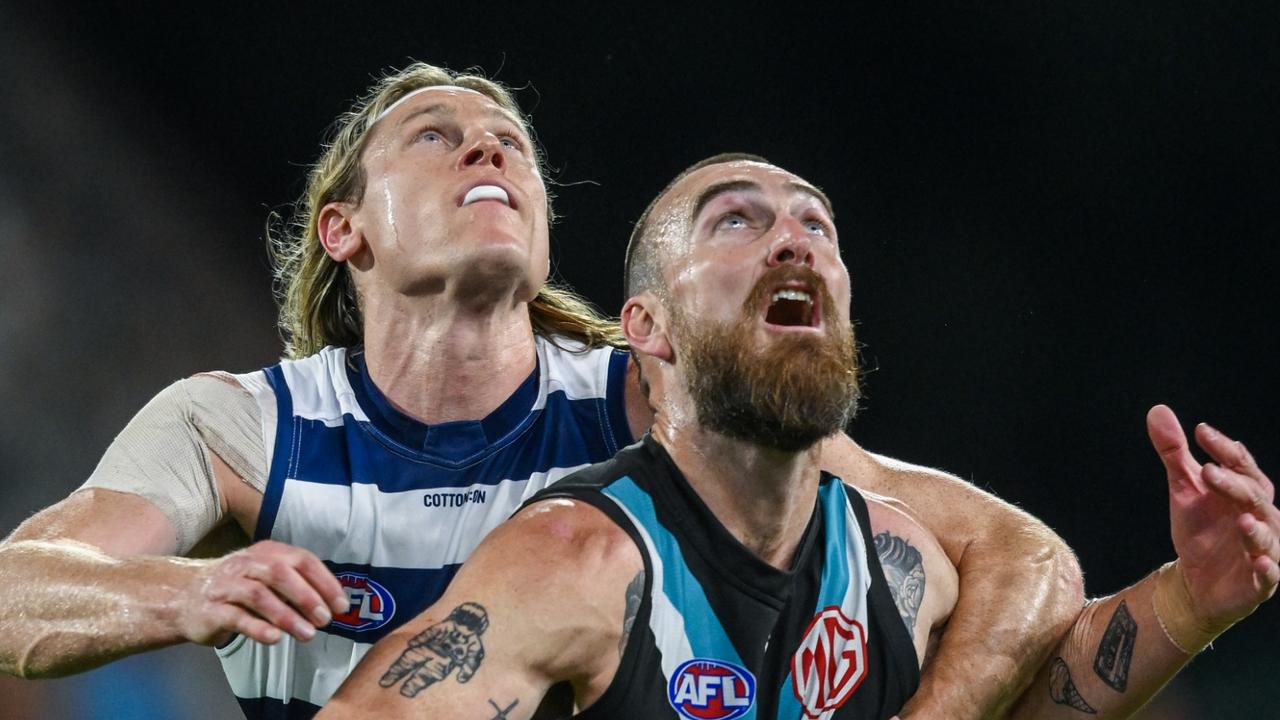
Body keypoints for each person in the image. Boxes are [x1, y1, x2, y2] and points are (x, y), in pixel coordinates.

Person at [0, 65, 1082, 719]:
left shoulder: (651, 398)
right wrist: (182, 596)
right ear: (345, 228)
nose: (488, 144)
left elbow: (1014, 555)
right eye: (436, 135)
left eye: (511, 143)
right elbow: (15, 596)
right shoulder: (241, 429)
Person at [317, 154, 1278, 720]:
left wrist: (1192, 601)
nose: (795, 241)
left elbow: (1028, 704)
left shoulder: (895, 556)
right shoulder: (578, 562)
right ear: (648, 328)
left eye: (817, 225)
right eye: (736, 220)